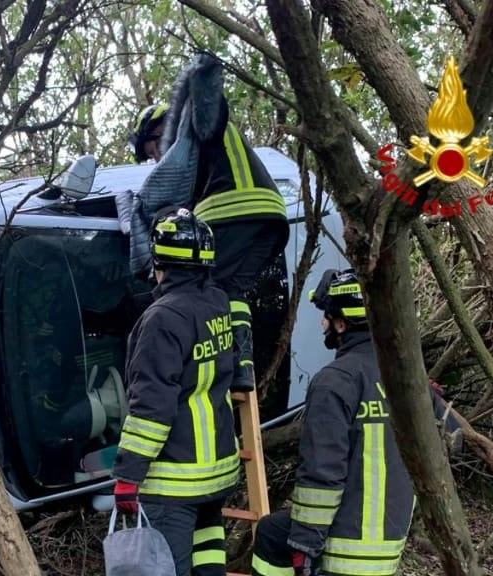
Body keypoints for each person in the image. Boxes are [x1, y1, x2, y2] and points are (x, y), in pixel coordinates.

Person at [250, 269, 458, 576]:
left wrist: (304, 547)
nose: (322, 324)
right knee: (272, 530)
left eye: (326, 317)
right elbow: (452, 434)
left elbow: (322, 473)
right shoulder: (408, 379)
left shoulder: (335, 381)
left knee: (271, 535)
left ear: (341, 323)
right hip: (388, 543)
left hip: (344, 548)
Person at [128, 92, 289, 393]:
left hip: (234, 208)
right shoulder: (194, 150)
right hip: (271, 216)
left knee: (197, 286)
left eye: (151, 151)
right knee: (228, 290)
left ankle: (206, 362)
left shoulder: (190, 127)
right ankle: (241, 370)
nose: (155, 159)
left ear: (158, 131)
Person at [112, 206, 240, 576]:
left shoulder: (163, 319)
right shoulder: (216, 305)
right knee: (209, 563)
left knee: (169, 568)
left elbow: (152, 408)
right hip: (214, 474)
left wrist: (128, 475)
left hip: (173, 481)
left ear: (159, 262)